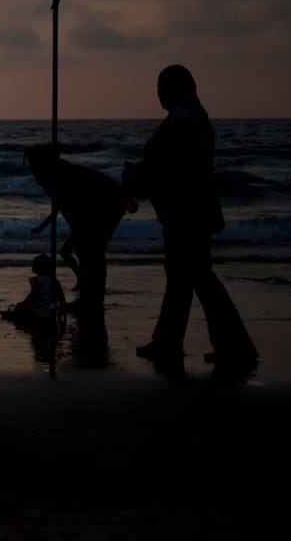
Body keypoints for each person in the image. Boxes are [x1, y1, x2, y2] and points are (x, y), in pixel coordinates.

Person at [126, 65, 257, 372]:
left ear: (172, 89)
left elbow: (172, 165)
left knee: (195, 276)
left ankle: (231, 345)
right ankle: (173, 342)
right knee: (185, 277)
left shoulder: (184, 121)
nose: (157, 93)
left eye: (161, 87)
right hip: (188, 209)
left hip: (186, 210)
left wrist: (140, 174)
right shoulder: (191, 118)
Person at [24, 144, 135, 312]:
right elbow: (67, 211)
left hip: (110, 202)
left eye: (34, 165)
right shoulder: (53, 177)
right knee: (87, 250)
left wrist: (79, 233)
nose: (32, 170)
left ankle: (92, 300)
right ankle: (90, 298)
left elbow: (77, 213)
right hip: (102, 204)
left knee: (91, 251)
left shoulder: (63, 177)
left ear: (45, 164)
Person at [1, 253, 65, 329]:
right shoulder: (55, 281)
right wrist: (61, 310)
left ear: (35, 269)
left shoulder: (36, 281)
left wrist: (24, 303)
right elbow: (61, 298)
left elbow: (34, 294)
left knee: (19, 306)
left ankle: (12, 315)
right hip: (51, 312)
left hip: (37, 311)